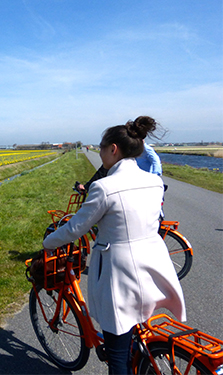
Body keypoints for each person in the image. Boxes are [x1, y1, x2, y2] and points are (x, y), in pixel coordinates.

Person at [42, 116, 186, 375]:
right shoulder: (154, 182)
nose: (99, 152)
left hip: (120, 275)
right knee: (136, 330)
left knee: (117, 357)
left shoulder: (104, 187)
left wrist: (48, 242)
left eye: (100, 147)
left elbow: (77, 227)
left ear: (113, 149)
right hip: (153, 267)